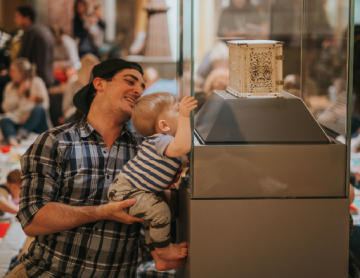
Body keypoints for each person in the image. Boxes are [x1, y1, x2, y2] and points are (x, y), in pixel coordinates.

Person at [5, 58, 164, 278]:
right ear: (99, 84)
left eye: (142, 87)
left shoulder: (146, 149)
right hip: (46, 272)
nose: (138, 90)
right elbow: (32, 220)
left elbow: (165, 210)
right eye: (130, 81)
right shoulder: (55, 142)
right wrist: (104, 212)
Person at [108, 92, 196, 271]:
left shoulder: (159, 141)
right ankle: (165, 250)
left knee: (152, 221)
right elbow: (183, 146)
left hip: (128, 189)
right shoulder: (162, 141)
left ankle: (159, 259)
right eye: (177, 110)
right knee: (160, 210)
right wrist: (186, 116)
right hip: (128, 191)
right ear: (163, 125)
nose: (181, 113)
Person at [0, 58, 49, 146]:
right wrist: (19, 93)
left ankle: (20, 135)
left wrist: (28, 113)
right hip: (17, 120)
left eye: (12, 71)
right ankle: (13, 141)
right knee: (4, 120)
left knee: (39, 109)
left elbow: (45, 105)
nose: (10, 74)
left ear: (21, 72)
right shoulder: (9, 86)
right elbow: (5, 108)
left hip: (34, 121)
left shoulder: (37, 82)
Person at [14, 6, 55, 88]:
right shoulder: (45, 29)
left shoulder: (30, 31)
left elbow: (22, 59)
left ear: (27, 18)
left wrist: (9, 71)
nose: (15, 20)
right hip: (49, 79)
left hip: (36, 79)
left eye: (17, 16)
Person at [61, 53, 99, 123]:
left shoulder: (96, 85)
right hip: (73, 116)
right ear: (85, 70)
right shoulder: (73, 83)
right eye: (91, 71)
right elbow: (66, 108)